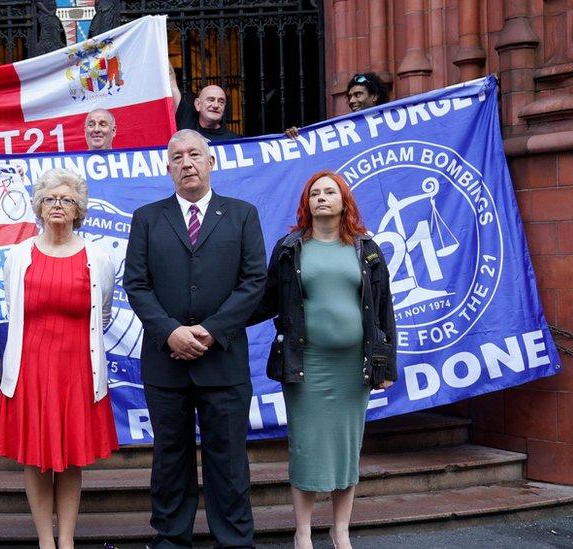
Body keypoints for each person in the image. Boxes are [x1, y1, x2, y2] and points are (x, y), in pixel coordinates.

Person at [123, 129, 266, 547]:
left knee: (230, 461)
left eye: (194, 154)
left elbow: (254, 280)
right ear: (167, 168)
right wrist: (171, 332)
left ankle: (235, 541)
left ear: (210, 162)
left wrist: (212, 330)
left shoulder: (242, 214)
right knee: (170, 459)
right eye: (177, 157)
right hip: (167, 363)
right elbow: (137, 283)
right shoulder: (148, 217)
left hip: (222, 360)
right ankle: (170, 539)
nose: (186, 162)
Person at [249, 171, 396, 549]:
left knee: (348, 447)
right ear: (307, 203)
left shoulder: (367, 248)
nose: (322, 198)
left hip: (354, 367)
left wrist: (387, 365)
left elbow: (384, 311)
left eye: (330, 192)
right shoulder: (290, 248)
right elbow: (266, 299)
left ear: (344, 200)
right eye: (315, 193)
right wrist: (222, 320)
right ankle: (303, 531)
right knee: (307, 446)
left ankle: (340, 529)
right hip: (306, 363)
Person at [0, 168, 119, 548]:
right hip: (30, 368)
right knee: (34, 458)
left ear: (79, 208)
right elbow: (15, 312)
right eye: (50, 199)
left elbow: (104, 311)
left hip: (76, 369)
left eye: (66, 199)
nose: (58, 206)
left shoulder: (98, 256)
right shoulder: (19, 255)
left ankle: (67, 540)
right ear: (39, 208)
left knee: (71, 458)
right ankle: (46, 541)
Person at [285, 72, 390, 138]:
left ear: (374, 96)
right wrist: (298, 137)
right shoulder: (344, 129)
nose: (352, 101)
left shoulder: (392, 122)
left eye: (358, 95)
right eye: (350, 97)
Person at [169, 64, 240, 141]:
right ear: (198, 104)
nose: (216, 105)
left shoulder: (233, 140)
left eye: (221, 102)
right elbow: (171, 80)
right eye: (211, 100)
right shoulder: (186, 119)